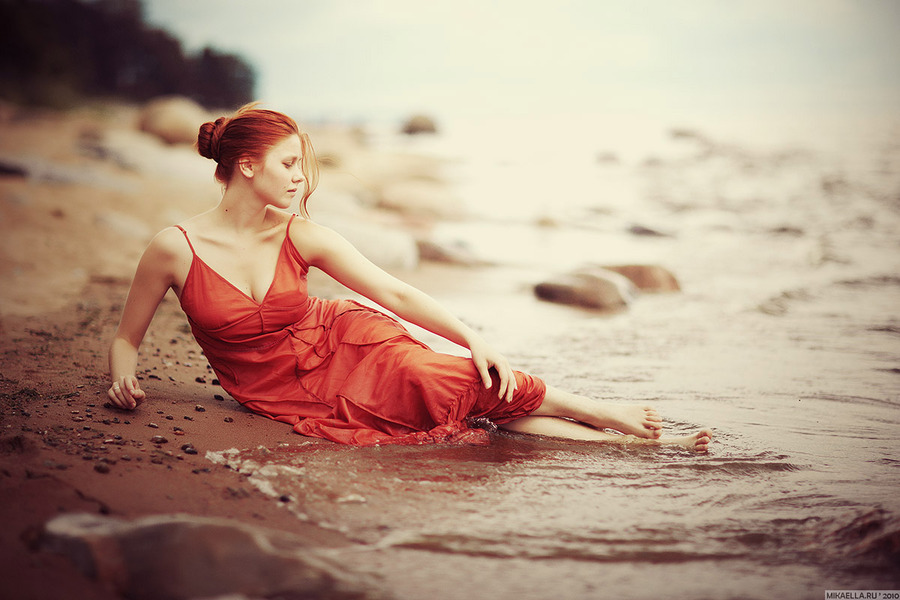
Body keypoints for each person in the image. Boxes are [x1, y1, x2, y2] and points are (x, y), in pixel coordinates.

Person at [107, 103, 712, 452]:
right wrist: (123, 378)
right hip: (275, 387)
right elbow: (126, 339)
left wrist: (474, 338)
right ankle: (621, 437)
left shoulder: (299, 233)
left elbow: (391, 291)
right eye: (289, 164)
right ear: (245, 165)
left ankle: (606, 419)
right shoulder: (173, 249)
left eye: (300, 164)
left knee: (443, 376)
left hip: (342, 342)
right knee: (448, 402)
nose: (300, 177)